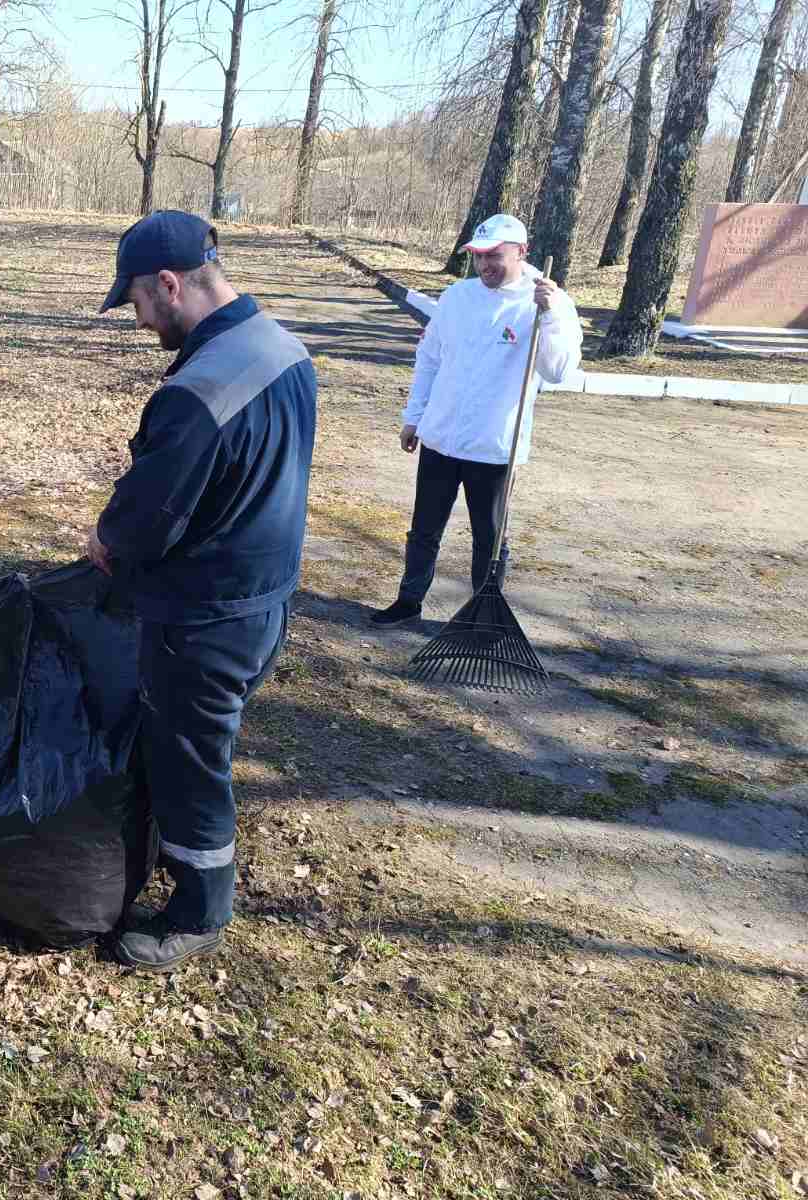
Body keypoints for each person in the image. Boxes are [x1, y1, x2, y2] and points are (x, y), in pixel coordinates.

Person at [87, 211, 317, 972]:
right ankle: (172, 853)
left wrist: (106, 540)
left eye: (136, 303)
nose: (138, 321)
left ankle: (199, 912)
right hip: (266, 599)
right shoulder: (283, 348)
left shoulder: (198, 391)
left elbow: (144, 522)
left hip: (204, 621)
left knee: (192, 764)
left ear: (169, 283)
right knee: (199, 746)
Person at [369, 214, 583, 627]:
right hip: (440, 437)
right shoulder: (457, 297)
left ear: (521, 252)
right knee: (424, 529)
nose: (484, 265)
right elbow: (430, 359)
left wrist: (551, 315)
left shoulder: (547, 302)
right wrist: (414, 417)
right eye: (478, 256)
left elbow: (558, 371)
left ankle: (482, 618)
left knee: (490, 537)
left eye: (494, 256)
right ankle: (409, 601)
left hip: (494, 445)